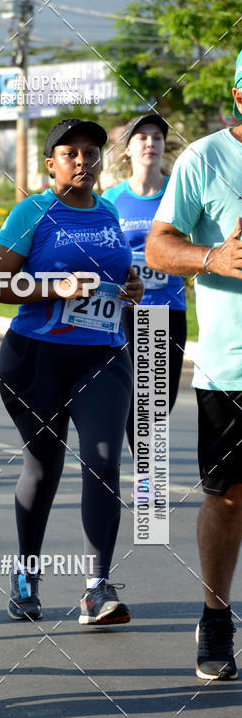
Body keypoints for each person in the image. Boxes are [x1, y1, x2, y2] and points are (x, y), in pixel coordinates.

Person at [0, 118, 144, 626]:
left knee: (104, 461)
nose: (82, 161)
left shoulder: (108, 210)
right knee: (43, 467)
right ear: (51, 163)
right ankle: (26, 574)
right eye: (70, 153)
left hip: (103, 354)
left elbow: (116, 275)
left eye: (91, 153)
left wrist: (131, 286)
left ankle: (97, 589)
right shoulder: (33, 211)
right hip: (37, 358)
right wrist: (56, 287)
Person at [145, 51, 242, 681]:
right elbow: (158, 247)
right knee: (229, 500)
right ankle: (215, 615)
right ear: (239, 97)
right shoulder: (205, 159)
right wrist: (214, 258)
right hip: (232, 369)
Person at [103, 114, 186, 498]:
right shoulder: (111, 200)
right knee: (135, 396)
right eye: (141, 137)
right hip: (126, 312)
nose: (150, 143)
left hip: (168, 309)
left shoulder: (178, 194)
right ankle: (147, 480)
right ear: (128, 149)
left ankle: (147, 474)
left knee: (160, 399)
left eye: (156, 137)